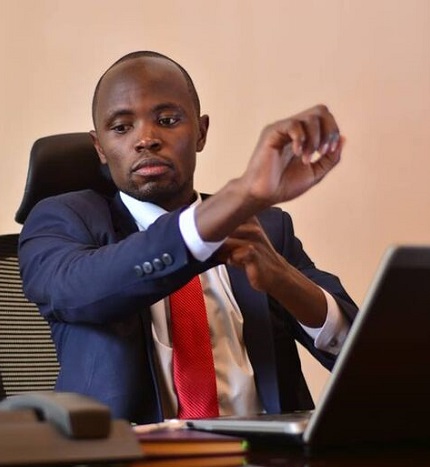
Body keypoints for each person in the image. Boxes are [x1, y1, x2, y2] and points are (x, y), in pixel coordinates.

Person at [19, 51, 358, 424]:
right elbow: (81, 290)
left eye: (167, 120)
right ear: (99, 146)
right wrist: (235, 199)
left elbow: (360, 355)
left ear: (201, 132)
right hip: (131, 456)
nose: (146, 139)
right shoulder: (62, 220)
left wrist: (282, 278)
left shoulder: (266, 229)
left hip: (266, 452)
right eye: (121, 127)